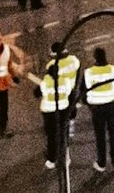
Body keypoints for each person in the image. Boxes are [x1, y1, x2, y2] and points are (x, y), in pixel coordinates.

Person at [36, 42, 80, 170]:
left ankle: (52, 159)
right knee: (67, 122)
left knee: (52, 135)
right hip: (69, 92)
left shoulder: (51, 65)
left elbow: (41, 88)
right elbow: (78, 73)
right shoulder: (74, 60)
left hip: (53, 104)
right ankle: (70, 128)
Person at [82, 47, 114, 172]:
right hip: (112, 106)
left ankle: (101, 163)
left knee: (100, 136)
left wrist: (89, 104)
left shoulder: (88, 72)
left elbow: (82, 91)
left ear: (94, 57)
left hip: (97, 108)